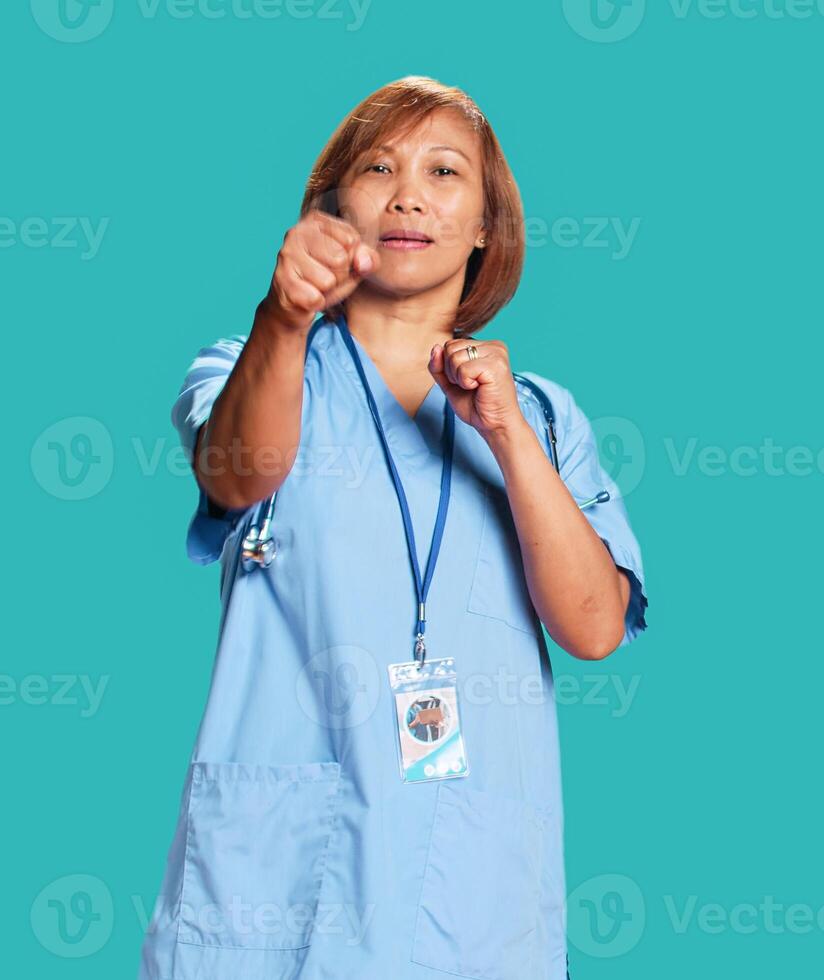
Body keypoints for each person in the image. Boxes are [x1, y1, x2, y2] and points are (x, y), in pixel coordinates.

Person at [138, 75, 650, 980]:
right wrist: (283, 316)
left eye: (444, 171)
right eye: (379, 167)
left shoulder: (544, 417)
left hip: (472, 906)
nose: (409, 193)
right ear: (333, 208)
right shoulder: (254, 364)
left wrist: (508, 437)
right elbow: (236, 471)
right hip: (278, 890)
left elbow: (595, 626)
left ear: (487, 223)